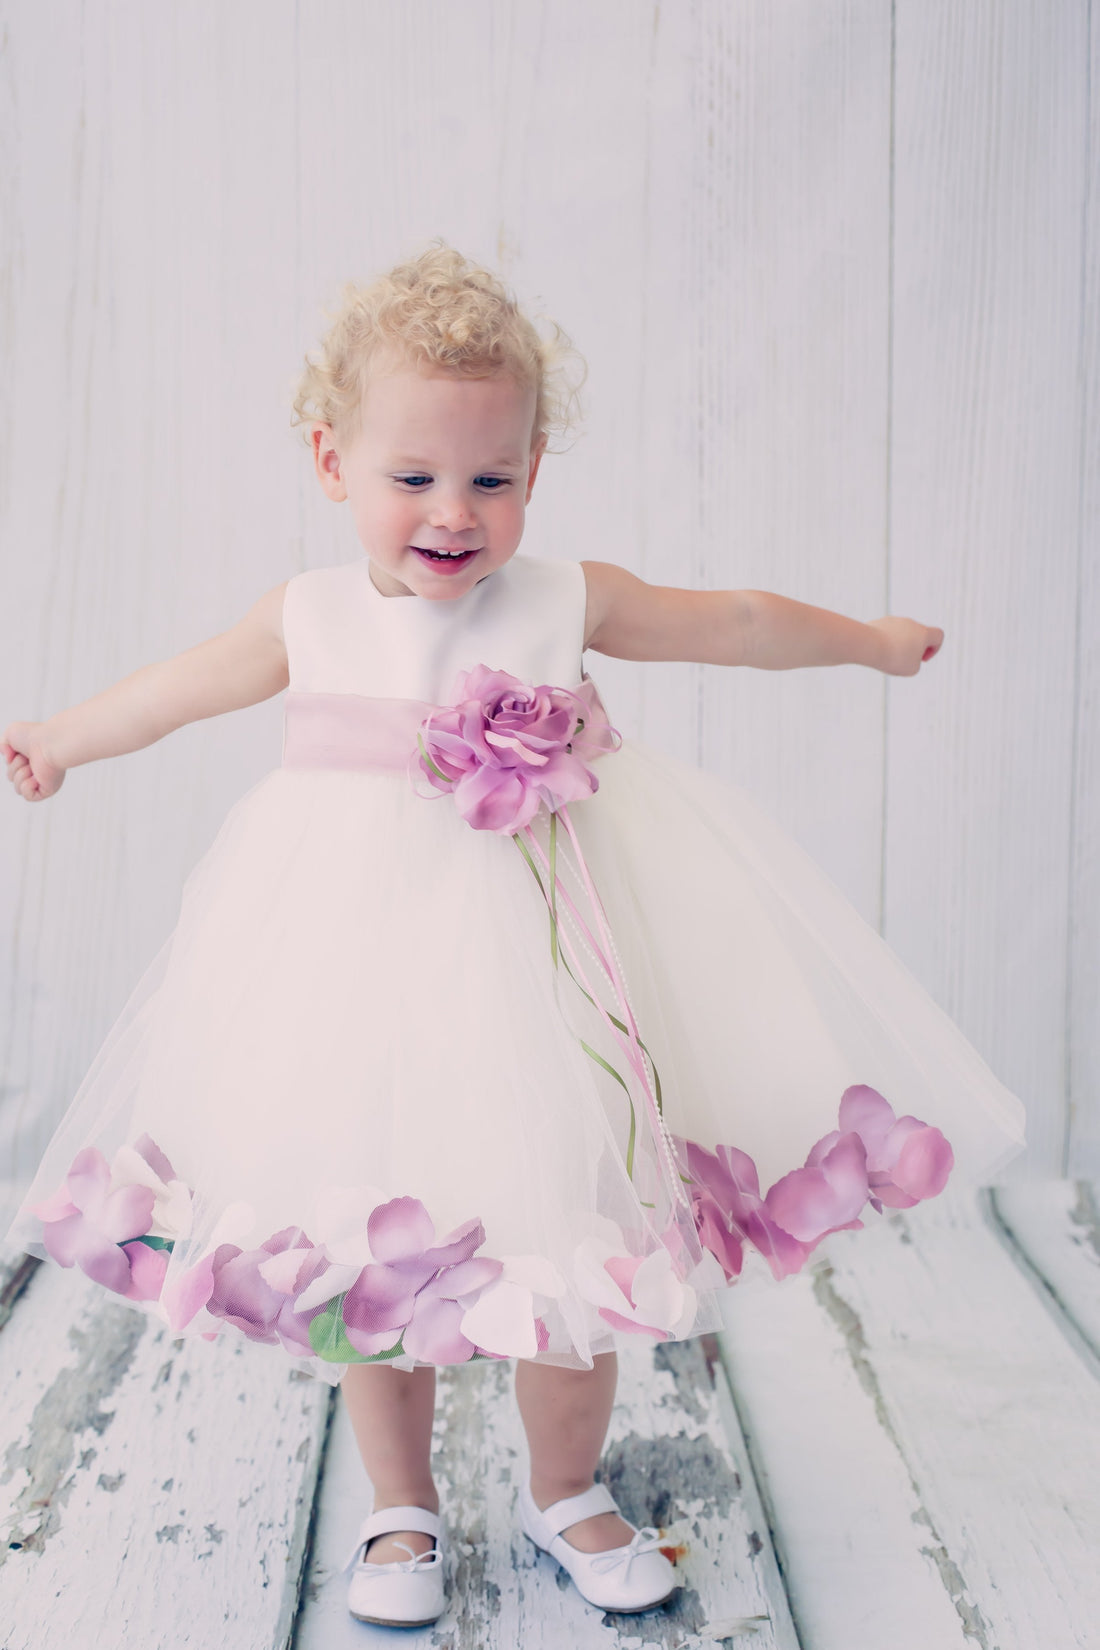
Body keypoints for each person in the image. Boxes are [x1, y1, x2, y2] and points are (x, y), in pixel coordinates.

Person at [1, 241, 1026, 1628]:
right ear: (329, 461)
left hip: (548, 979)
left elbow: (728, 619)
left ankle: (565, 1486)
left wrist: (867, 639)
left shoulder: (564, 597)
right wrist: (59, 737)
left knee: (576, 1231)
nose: (452, 510)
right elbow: (177, 689)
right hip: (350, 974)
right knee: (372, 1246)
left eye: (491, 476)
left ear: (534, 471)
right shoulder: (305, 616)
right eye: (412, 476)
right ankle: (404, 1505)